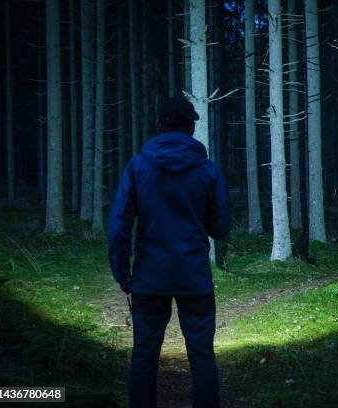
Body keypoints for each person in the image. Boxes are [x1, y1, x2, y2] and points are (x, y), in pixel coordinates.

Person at [108, 96, 230, 408]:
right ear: (191, 127)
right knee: (202, 357)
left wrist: (123, 273)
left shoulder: (138, 166)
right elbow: (221, 227)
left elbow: (119, 225)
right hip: (195, 278)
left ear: (160, 126)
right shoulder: (208, 170)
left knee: (145, 355)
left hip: (150, 277)